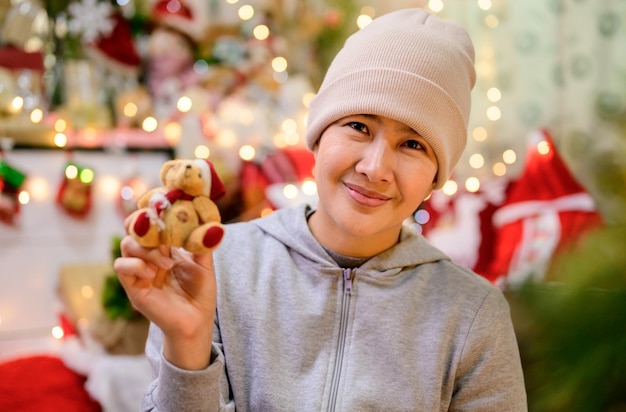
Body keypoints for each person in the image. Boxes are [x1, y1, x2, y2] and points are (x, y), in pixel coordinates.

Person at [114, 8, 528, 411]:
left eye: (413, 144)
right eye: (359, 127)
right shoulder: (213, 269)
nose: (375, 168)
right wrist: (187, 342)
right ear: (317, 135)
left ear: (437, 176)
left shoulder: (473, 315)